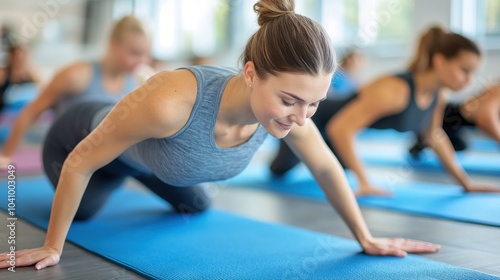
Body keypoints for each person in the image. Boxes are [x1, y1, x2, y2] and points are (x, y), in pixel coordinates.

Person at [0, 0, 439, 271]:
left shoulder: (294, 116)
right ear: (250, 73)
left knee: (197, 202)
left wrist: (367, 238)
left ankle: (141, 166)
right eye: (289, 100)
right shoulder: (170, 102)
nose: (300, 116)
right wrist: (52, 246)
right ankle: (119, 177)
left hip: (158, 159)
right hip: (78, 137)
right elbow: (82, 158)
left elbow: (325, 166)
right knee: (87, 213)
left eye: (314, 103)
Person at [270, 25, 500, 196]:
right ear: (440, 61)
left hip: (336, 133)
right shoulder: (395, 90)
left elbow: (434, 135)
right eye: (464, 70)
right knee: (280, 171)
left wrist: (465, 182)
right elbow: (340, 128)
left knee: (332, 168)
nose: (470, 81)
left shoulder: (438, 95)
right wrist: (364, 182)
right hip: (315, 120)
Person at [0, 15, 151, 167]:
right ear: (113, 43)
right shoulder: (77, 75)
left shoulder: (136, 82)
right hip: (66, 158)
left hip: (103, 162)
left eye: (146, 54)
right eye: (134, 53)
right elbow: (31, 111)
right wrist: (7, 155)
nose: (142, 61)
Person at [409, 83, 500, 155]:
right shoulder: (497, 90)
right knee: (460, 143)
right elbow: (484, 117)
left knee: (463, 144)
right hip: (448, 118)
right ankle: (423, 138)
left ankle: (424, 139)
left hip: (459, 125)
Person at [0, 43, 40, 112]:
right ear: (11, 57)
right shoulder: (3, 73)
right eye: (17, 58)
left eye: (23, 58)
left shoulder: (33, 74)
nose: (20, 61)